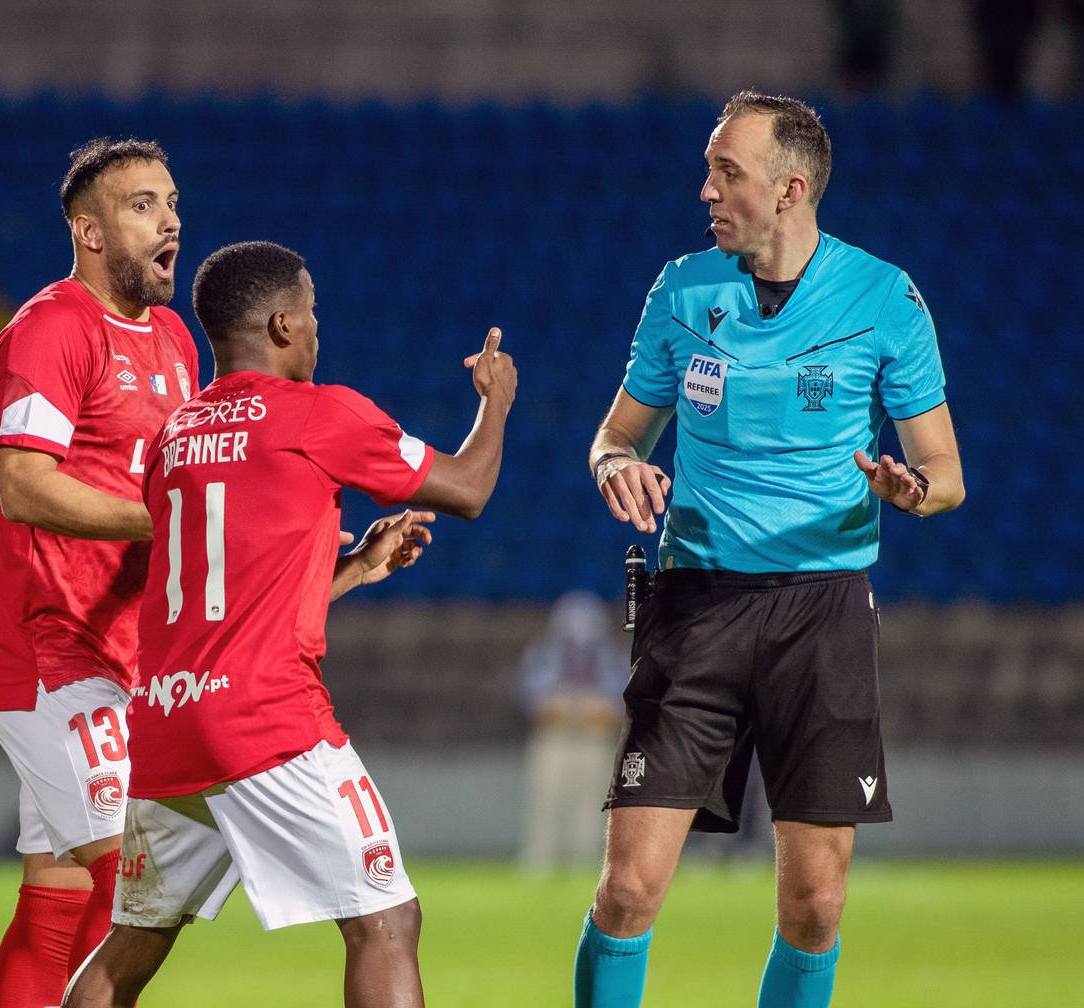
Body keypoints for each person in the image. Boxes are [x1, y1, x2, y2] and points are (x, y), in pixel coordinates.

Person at [578, 91, 966, 1008]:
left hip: (822, 612)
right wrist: (615, 467)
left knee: (815, 905)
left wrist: (914, 494)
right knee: (629, 886)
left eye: (726, 171)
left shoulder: (884, 297)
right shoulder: (682, 288)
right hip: (697, 605)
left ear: (790, 188)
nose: (704, 188)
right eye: (710, 168)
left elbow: (945, 471)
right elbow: (614, 436)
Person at [64, 239, 517, 1008]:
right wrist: (496, 399)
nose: (317, 329)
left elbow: (230, 594)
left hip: (168, 723)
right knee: (386, 919)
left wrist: (354, 568)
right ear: (280, 325)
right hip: (265, 719)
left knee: (133, 942)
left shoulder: (174, 439)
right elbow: (467, 489)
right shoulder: (318, 413)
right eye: (310, 314)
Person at [0, 138, 200, 1004]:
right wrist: (163, 519)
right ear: (90, 232)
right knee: (130, 891)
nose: (170, 218)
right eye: (143, 203)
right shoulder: (49, 328)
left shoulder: (176, 339)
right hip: (52, 656)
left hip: (126, 657)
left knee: (57, 902)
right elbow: (22, 486)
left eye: (171, 201)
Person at [516, 590, 627, 873]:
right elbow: (534, 703)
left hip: (594, 740)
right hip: (554, 739)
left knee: (592, 804)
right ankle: (540, 859)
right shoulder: (543, 655)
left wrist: (585, 711)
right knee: (547, 799)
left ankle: (586, 860)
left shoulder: (611, 658)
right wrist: (572, 710)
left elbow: (617, 706)